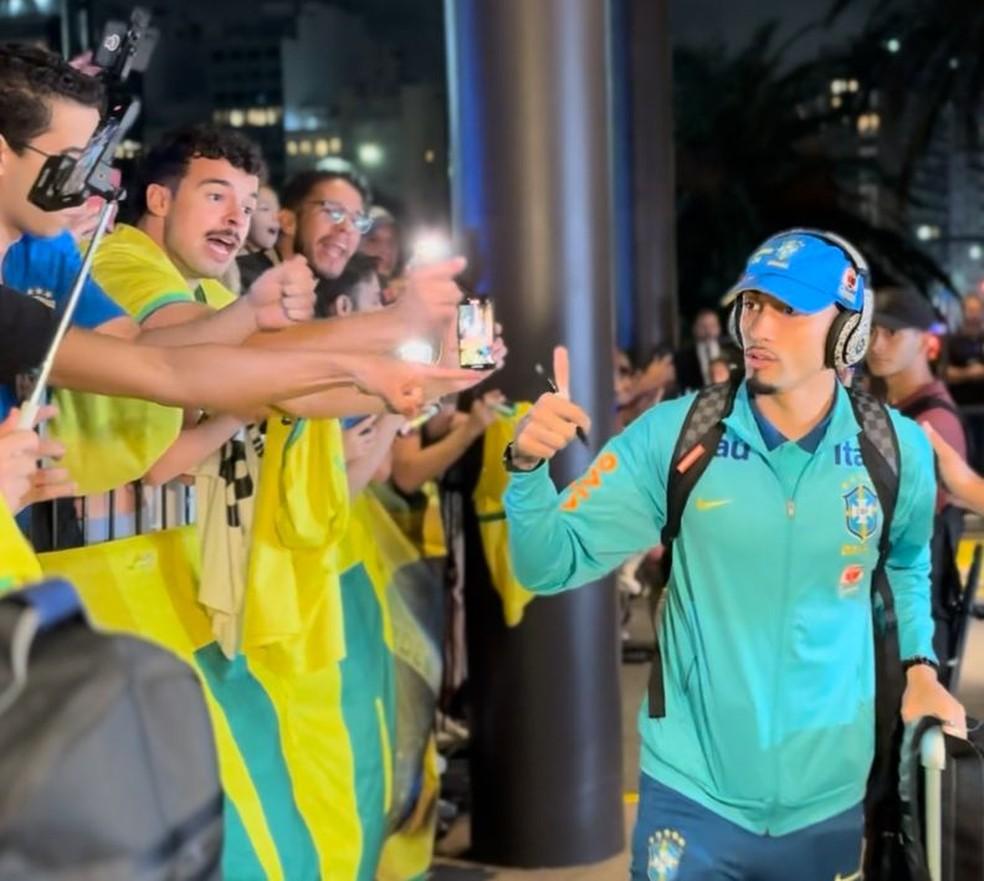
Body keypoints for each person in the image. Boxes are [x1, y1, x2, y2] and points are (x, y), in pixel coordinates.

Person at [502, 230, 964, 881]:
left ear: (847, 333)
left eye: (788, 309)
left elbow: (906, 564)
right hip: (688, 798)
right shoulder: (676, 435)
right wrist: (525, 469)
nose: (758, 326)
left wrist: (919, 665)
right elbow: (547, 563)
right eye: (751, 305)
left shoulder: (898, 449)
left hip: (830, 800)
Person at [867, 287, 970, 667]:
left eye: (892, 333)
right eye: (872, 331)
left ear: (925, 340)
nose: (877, 344)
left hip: (910, 627)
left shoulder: (931, 423)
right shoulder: (895, 408)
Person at [945, 291, 984, 471]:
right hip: (960, 409)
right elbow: (945, 373)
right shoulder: (952, 341)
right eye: (970, 310)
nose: (973, 315)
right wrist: (969, 373)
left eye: (977, 310)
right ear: (963, 312)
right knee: (964, 458)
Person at [674, 308, 736, 391]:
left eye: (712, 325)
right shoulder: (682, 358)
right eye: (703, 326)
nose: (708, 330)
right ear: (694, 328)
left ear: (719, 327)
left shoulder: (733, 352)